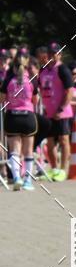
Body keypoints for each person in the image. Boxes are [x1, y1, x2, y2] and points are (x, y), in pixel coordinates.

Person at [1, 48, 39, 190]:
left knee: (14, 150)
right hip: (28, 117)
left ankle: (16, 177)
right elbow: (35, 101)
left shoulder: (8, 80)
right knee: (28, 151)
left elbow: (2, 99)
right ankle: (28, 181)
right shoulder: (32, 80)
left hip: (12, 117)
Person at [37, 41, 73, 180]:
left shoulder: (62, 69)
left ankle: (63, 170)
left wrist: (61, 108)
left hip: (61, 112)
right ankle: (54, 168)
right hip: (49, 111)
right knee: (50, 140)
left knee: (63, 139)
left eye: (56, 53)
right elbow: (40, 88)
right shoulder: (43, 69)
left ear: (60, 54)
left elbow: (69, 91)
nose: (53, 55)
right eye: (51, 53)